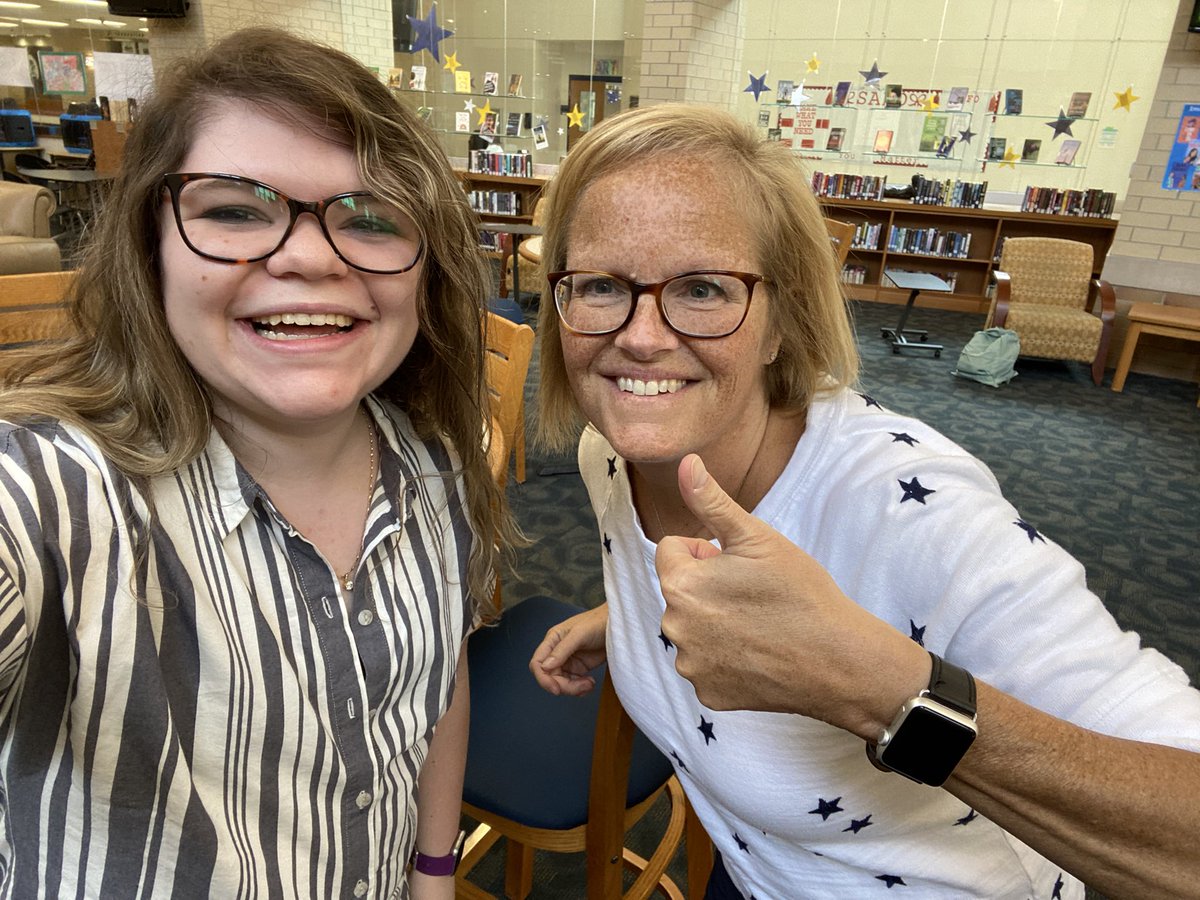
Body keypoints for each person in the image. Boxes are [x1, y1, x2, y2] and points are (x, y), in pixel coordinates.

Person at [529, 105, 1200, 899]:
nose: (640, 336)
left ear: (782, 320)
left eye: (703, 288)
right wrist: (628, 616)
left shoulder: (912, 514)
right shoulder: (610, 451)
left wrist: (878, 690)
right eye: (602, 285)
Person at [0, 28, 517, 900]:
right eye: (234, 210)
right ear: (149, 242)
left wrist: (433, 872)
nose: (311, 257)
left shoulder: (434, 465)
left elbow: (440, 681)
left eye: (373, 218)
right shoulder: (55, 495)